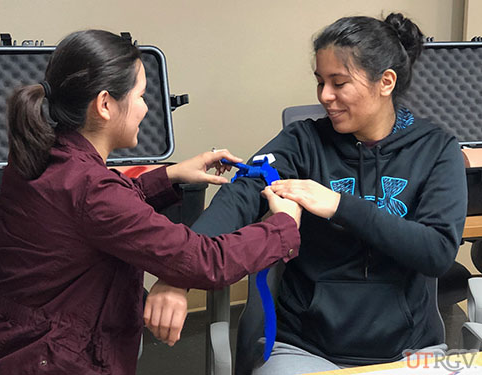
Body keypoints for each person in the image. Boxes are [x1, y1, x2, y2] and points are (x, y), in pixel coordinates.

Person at [151, 12, 468, 374]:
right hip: (307, 348)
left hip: (410, 351)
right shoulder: (302, 142)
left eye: (339, 82)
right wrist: (179, 272)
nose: (325, 96)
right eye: (320, 82)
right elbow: (240, 197)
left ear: (386, 82)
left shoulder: (436, 149)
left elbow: (438, 252)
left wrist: (339, 205)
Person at [0, 30, 302, 375]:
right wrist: (282, 225)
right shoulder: (93, 191)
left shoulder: (39, 154)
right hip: (49, 358)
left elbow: (90, 211)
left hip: (5, 338)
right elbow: (207, 261)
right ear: (105, 104)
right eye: (141, 95)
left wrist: (171, 175)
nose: (147, 108)